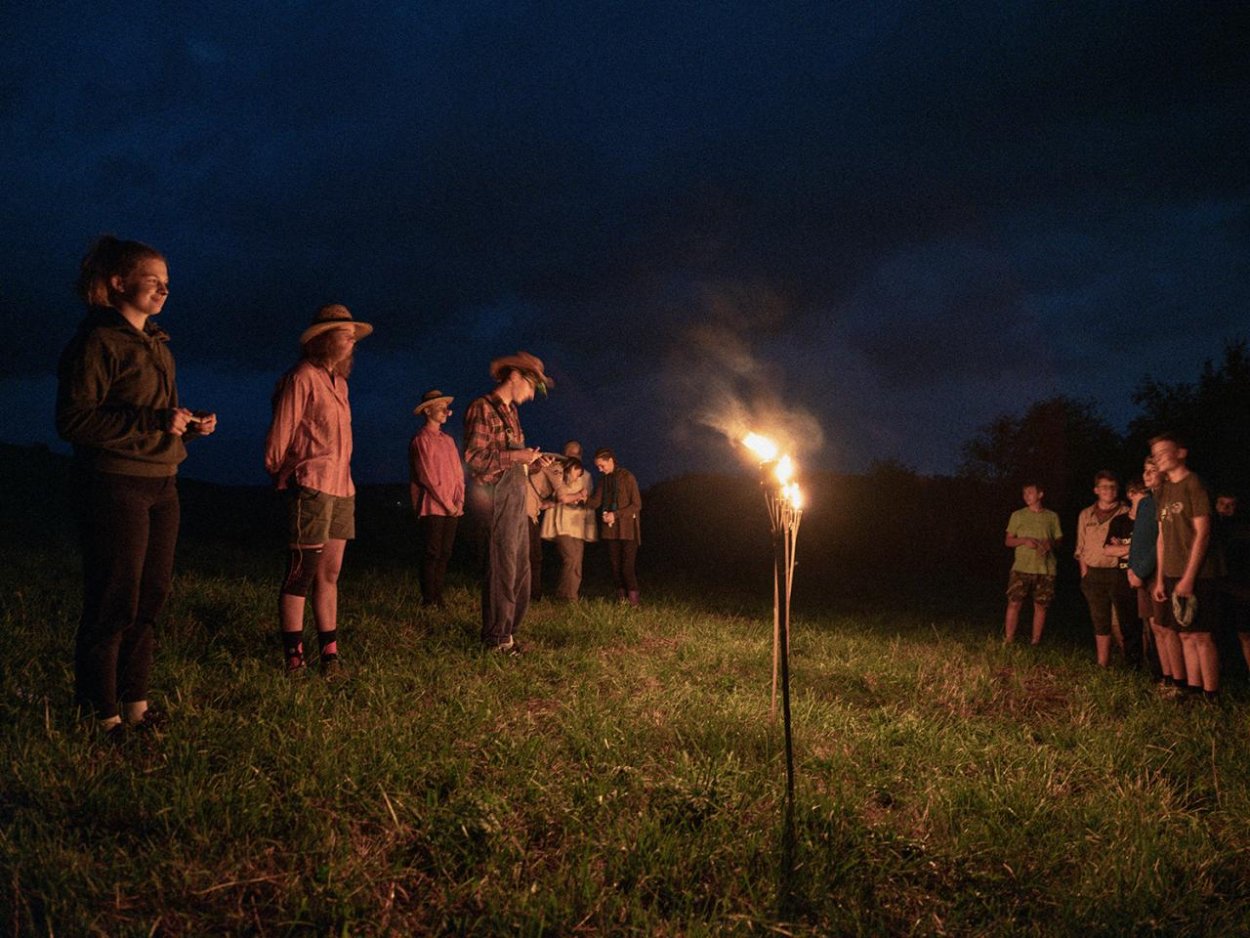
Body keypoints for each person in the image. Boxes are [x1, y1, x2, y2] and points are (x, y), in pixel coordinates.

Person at [56, 235, 217, 738]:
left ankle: (136, 706)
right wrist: (153, 419)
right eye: (153, 281)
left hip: (162, 482)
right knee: (114, 597)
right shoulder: (97, 341)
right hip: (114, 483)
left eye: (168, 283)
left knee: (151, 596)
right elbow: (75, 420)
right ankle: (99, 712)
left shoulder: (157, 344)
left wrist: (187, 424)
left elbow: (152, 419)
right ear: (117, 282)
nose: (164, 290)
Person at [264, 304, 372, 678]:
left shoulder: (340, 384)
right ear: (324, 338)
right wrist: (283, 474)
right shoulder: (302, 377)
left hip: (342, 487)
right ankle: (294, 657)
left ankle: (330, 655)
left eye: (353, 335)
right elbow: (281, 432)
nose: (351, 340)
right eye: (344, 333)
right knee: (302, 572)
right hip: (310, 482)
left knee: (331, 573)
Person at [463, 351, 555, 653]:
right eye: (532, 386)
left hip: (517, 499)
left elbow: (516, 460)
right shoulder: (483, 408)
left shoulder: (511, 414)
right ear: (514, 376)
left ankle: (509, 633)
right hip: (495, 500)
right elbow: (475, 460)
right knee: (501, 567)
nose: (532, 394)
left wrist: (535, 462)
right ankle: (495, 638)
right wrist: (517, 456)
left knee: (520, 567)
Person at [1150, 433, 1220, 699]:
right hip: (1171, 572)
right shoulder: (1165, 490)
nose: (1158, 458)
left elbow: (1203, 533)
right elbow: (1161, 538)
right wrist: (1159, 579)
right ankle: (1192, 691)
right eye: (1154, 455)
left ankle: (1211, 694)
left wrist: (1189, 578)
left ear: (1181, 452)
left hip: (1198, 573)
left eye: (1163, 452)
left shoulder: (1194, 484)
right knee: (1183, 635)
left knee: (1201, 635)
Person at [409, 389, 465, 608]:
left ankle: (438, 596)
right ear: (428, 410)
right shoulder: (421, 440)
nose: (445, 411)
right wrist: (447, 503)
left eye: (445, 407)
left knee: (445, 552)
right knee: (432, 552)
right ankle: (428, 598)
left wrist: (459, 501)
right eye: (440, 407)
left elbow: (459, 473)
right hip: (432, 506)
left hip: (452, 507)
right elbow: (427, 476)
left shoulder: (448, 440)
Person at [1075, 471, 1136, 667]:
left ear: (1117, 490)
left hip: (1118, 573)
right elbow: (1080, 547)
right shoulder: (1086, 514)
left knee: (1121, 621)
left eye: (1112, 487)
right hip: (1093, 574)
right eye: (1103, 487)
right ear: (1096, 490)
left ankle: (1133, 661)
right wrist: (1084, 572)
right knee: (1100, 620)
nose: (1108, 490)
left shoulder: (1127, 512)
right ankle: (1103, 662)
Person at [1002, 483, 1062, 645]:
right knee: (1014, 602)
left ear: (1040, 494)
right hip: (1021, 567)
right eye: (1024, 493)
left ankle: (1035, 642)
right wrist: (1024, 541)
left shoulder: (1052, 516)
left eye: (1030, 492)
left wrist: (1049, 544)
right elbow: (1008, 540)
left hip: (1046, 568)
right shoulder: (1018, 515)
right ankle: (1008, 640)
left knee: (1041, 606)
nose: (1026, 496)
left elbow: (1059, 540)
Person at [1103, 476, 1151, 672]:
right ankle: (1132, 666)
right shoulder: (1120, 521)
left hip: (1145, 579)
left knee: (1149, 627)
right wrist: (1136, 547)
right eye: (1143, 496)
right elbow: (1107, 550)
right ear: (1131, 495)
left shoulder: (1149, 521)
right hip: (1122, 580)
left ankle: (1153, 667)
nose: (1147, 501)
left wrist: (1123, 546)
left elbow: (1154, 547)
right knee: (1128, 627)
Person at [540, 441, 597, 601]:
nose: (568, 458)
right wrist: (575, 496)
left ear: (579, 455)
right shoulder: (557, 471)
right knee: (570, 558)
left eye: (572, 455)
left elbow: (587, 498)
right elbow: (560, 496)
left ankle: (572, 595)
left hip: (578, 526)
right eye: (567, 454)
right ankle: (564, 596)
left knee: (577, 563)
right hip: (561, 525)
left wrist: (580, 497)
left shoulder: (586, 476)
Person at [587, 448, 642, 606]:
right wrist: (582, 498)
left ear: (611, 461)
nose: (600, 469)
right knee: (615, 566)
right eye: (598, 467)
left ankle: (634, 602)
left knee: (627, 566)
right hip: (611, 531)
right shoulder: (603, 481)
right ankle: (622, 600)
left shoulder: (627, 477)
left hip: (627, 530)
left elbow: (637, 504)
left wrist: (615, 514)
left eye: (602, 465)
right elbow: (596, 502)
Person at [1212, 492, 1250, 674]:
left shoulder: (1243, 530)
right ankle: (1221, 672)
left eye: (1231, 504)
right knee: (1216, 632)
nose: (1226, 509)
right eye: (1222, 504)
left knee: (1245, 633)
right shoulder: (1211, 528)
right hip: (1217, 586)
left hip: (1240, 588)